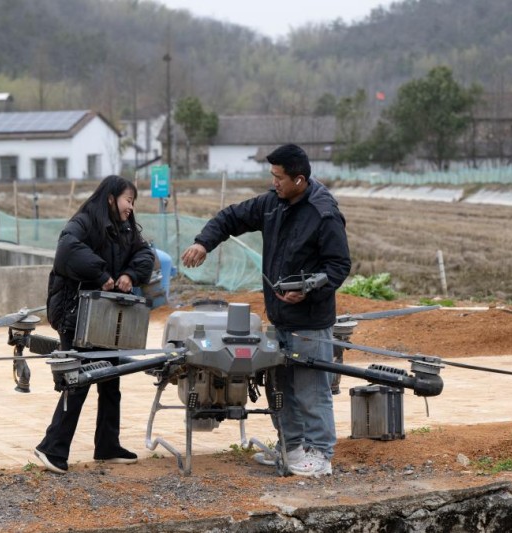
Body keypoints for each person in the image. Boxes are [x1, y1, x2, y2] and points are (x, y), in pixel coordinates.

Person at [181, 144, 351, 477]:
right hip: (279, 319)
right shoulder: (272, 204)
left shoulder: (322, 213)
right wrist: (204, 242)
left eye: (278, 177)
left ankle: (321, 455)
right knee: (280, 388)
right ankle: (291, 447)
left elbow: (339, 265)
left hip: (310, 322)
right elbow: (231, 217)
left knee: (311, 389)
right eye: (271, 175)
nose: (273, 182)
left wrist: (307, 290)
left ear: (299, 180)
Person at [34, 175, 155, 474]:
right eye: (129, 200)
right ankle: (51, 448)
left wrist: (130, 274)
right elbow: (67, 251)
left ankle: (107, 445)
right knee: (77, 381)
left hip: (106, 317)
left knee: (111, 380)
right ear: (112, 198)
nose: (131, 207)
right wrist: (101, 274)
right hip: (76, 315)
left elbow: (145, 254)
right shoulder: (84, 222)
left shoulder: (126, 228)